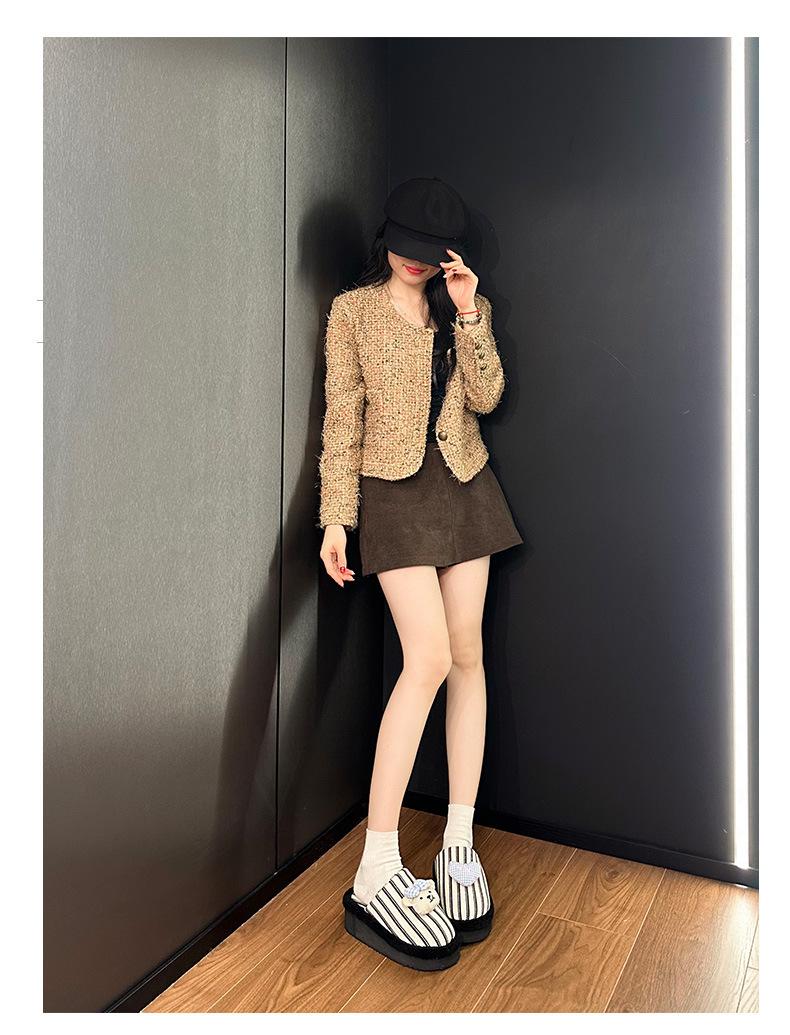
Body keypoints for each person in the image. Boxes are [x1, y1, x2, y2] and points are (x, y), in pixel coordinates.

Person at [316, 177, 523, 971]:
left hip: (465, 482)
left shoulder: (460, 301)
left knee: (467, 654)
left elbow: (488, 396)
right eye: (403, 246)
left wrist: (469, 313)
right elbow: (343, 419)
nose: (413, 261)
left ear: (446, 254)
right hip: (392, 492)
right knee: (427, 658)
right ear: (387, 238)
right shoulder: (353, 311)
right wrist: (337, 517)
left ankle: (458, 840)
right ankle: (377, 863)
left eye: (426, 252)